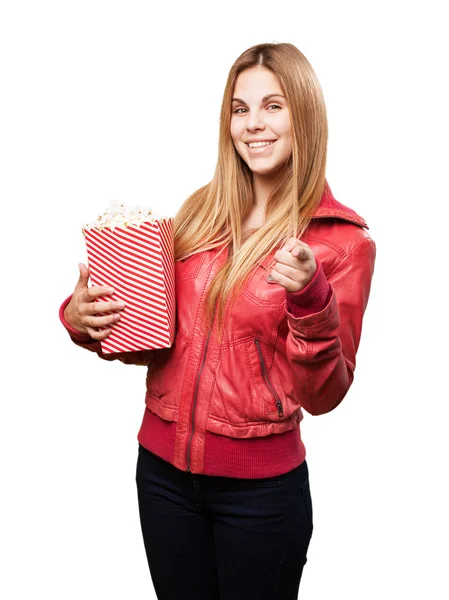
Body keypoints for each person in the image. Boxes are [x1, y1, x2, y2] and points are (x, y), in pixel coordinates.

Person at [60, 42, 376, 600]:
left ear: (304, 113)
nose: (253, 124)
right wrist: (83, 319)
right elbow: (159, 340)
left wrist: (310, 298)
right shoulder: (199, 211)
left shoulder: (338, 241)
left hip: (261, 497)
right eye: (240, 108)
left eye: (272, 106)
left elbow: (326, 392)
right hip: (161, 478)